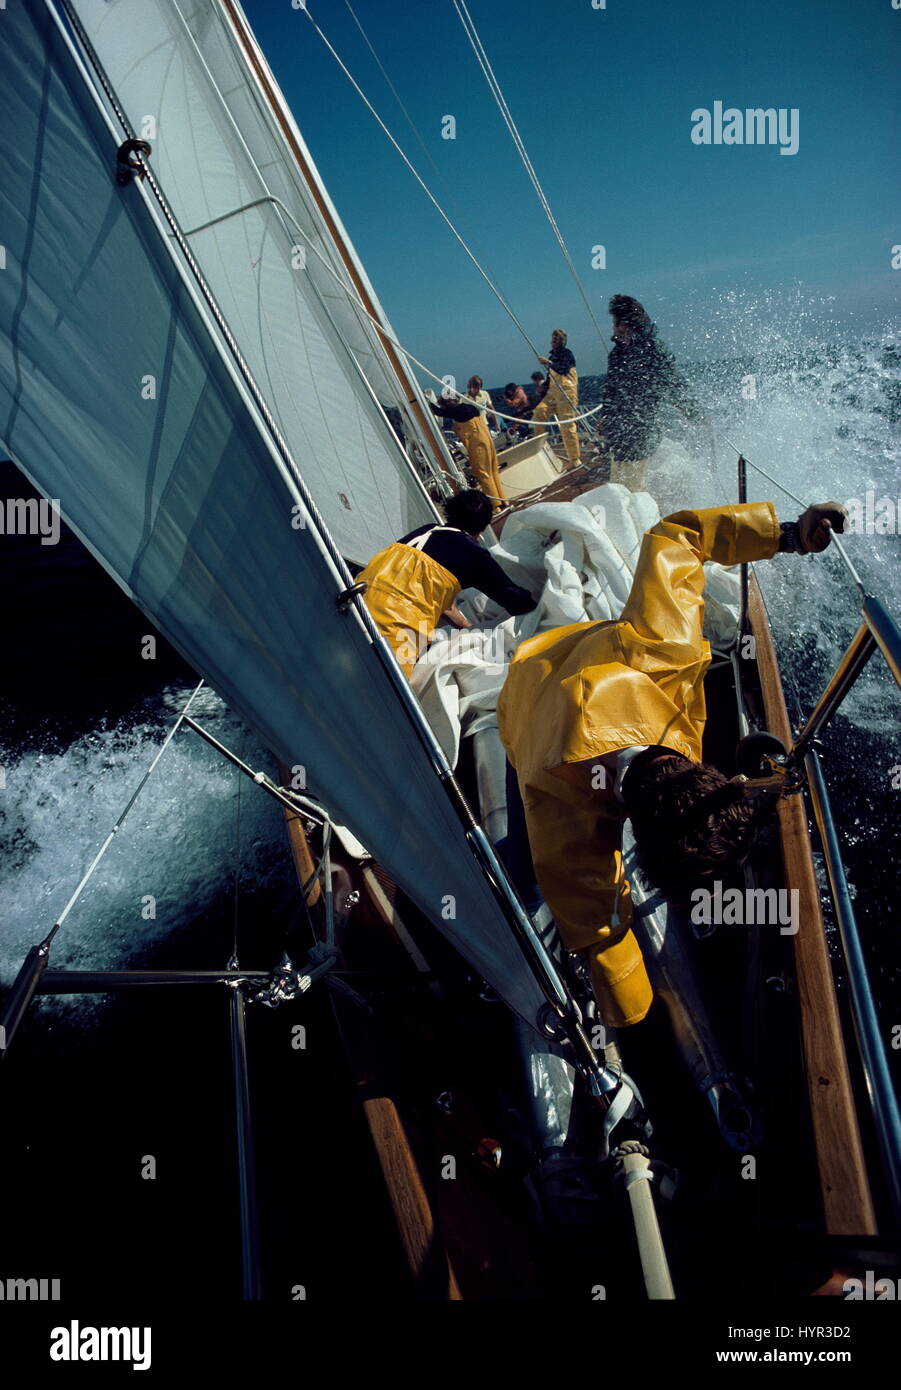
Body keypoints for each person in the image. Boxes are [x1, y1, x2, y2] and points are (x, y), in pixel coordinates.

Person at [497, 498, 848, 1028]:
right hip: (519, 711)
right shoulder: (549, 805)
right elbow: (595, 928)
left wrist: (790, 536)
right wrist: (629, 1010)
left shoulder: (664, 649)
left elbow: (679, 534)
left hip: (544, 672)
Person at [358, 489, 537, 678]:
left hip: (357, 602)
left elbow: (425, 589)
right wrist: (540, 603)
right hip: (397, 627)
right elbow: (512, 598)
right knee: (388, 688)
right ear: (482, 528)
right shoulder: (472, 554)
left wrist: (466, 627)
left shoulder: (424, 533)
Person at [600, 295, 707, 491]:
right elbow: (611, 391)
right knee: (617, 487)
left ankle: (642, 521)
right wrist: (605, 419)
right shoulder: (617, 353)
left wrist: (696, 414)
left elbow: (675, 385)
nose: (614, 328)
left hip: (641, 433)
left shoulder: (653, 350)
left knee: (634, 489)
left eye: (617, 323)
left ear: (628, 323)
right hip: (619, 436)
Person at [429, 391, 505, 510]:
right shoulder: (470, 408)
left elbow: (438, 412)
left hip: (478, 444)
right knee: (492, 471)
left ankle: (495, 506)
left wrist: (425, 400)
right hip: (487, 440)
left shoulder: (457, 411)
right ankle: (502, 501)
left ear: (448, 404)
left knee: (483, 473)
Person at [531, 328, 581, 468]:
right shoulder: (552, 357)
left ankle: (574, 459)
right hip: (553, 393)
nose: (555, 341)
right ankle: (539, 449)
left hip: (567, 392)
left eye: (558, 339)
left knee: (567, 425)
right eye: (554, 338)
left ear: (563, 342)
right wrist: (544, 387)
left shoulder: (567, 354)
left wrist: (548, 363)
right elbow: (551, 377)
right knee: (539, 412)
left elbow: (563, 369)